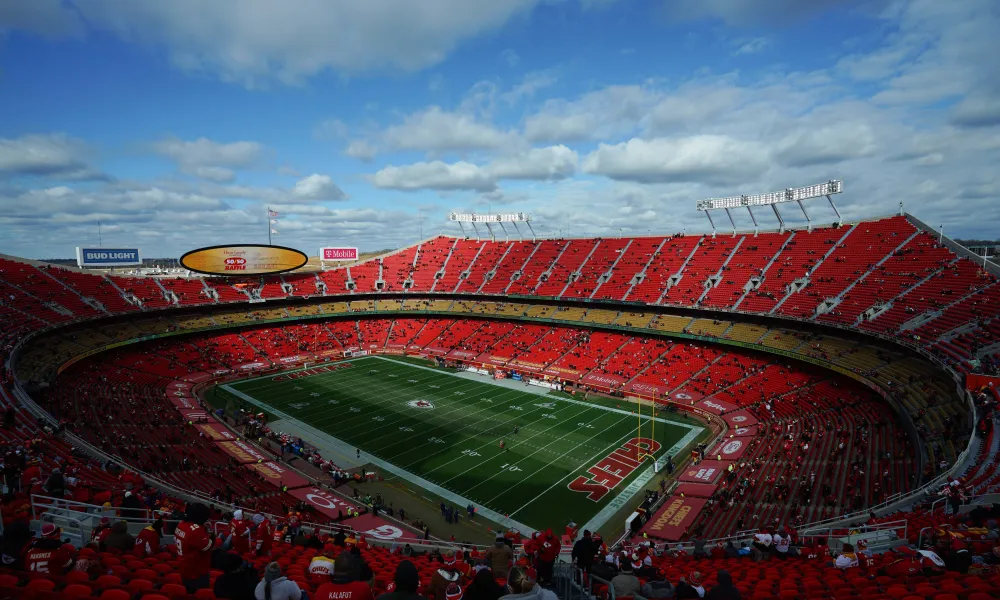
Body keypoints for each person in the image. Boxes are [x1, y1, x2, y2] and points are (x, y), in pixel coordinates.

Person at [176, 502, 216, 592]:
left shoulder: (181, 524)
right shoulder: (197, 530)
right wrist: (211, 534)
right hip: (196, 571)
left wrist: (202, 528)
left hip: (184, 566)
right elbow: (207, 547)